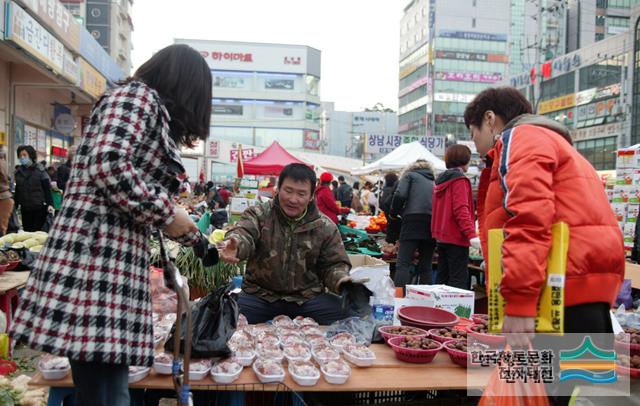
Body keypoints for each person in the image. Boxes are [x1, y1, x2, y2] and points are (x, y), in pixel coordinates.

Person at [10, 44, 211, 406]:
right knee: (107, 391)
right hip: (95, 259)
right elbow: (108, 164)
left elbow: (118, 172)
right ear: (186, 87)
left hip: (104, 258)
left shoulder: (141, 103)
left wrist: (184, 228)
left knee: (102, 387)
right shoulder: (138, 98)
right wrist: (166, 213)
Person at [464, 86, 624, 348]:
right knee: (583, 385)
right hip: (586, 295)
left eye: (474, 134)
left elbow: (529, 218)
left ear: (490, 119)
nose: (476, 145)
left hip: (556, 300)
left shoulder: (520, 138)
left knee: (545, 386)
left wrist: (519, 301)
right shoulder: (558, 145)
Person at [218, 163, 357, 325]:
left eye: (301, 194)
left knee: (351, 313)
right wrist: (236, 245)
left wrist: (341, 281)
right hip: (260, 296)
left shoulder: (325, 226)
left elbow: (334, 264)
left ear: (312, 195)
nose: (293, 199)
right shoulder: (258, 214)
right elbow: (244, 233)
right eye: (288, 191)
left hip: (306, 299)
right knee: (223, 313)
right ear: (278, 189)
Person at [431, 145, 477, 290]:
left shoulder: (440, 180)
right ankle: (455, 313)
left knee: (442, 279)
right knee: (458, 281)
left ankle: (438, 311)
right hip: (456, 237)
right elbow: (461, 209)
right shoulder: (459, 180)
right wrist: (471, 234)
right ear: (464, 160)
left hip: (442, 237)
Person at [390, 159, 436, 289]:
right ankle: (426, 299)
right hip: (431, 223)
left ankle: (399, 298)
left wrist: (394, 213)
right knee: (426, 266)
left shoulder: (410, 175)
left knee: (403, 263)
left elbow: (400, 195)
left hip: (412, 221)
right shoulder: (433, 180)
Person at [14, 145, 54, 231]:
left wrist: (50, 204)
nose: (22, 157)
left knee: (37, 233)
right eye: (20, 156)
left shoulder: (40, 170)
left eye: (24, 155)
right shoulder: (18, 173)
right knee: (27, 232)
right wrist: (15, 206)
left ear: (31, 155)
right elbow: (18, 191)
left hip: (39, 208)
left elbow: (47, 189)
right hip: (25, 208)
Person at [379, 172, 400, 278]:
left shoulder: (386, 190)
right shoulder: (396, 192)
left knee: (390, 251)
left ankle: (389, 274)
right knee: (397, 254)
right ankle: (393, 276)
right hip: (398, 226)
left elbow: (383, 204)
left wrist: (389, 217)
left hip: (390, 226)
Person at [0, 149, 14, 236]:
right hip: (5, 197)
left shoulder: (1, 163)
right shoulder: (3, 162)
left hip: (3, 197)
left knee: (1, 228)